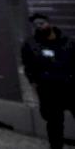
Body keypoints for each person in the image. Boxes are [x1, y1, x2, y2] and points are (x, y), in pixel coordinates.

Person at [21, 13, 75, 149]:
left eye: (42, 23)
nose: (39, 26)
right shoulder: (31, 44)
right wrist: (35, 83)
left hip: (70, 87)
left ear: (49, 23)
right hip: (48, 90)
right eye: (36, 24)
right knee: (54, 124)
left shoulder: (67, 41)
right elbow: (28, 66)